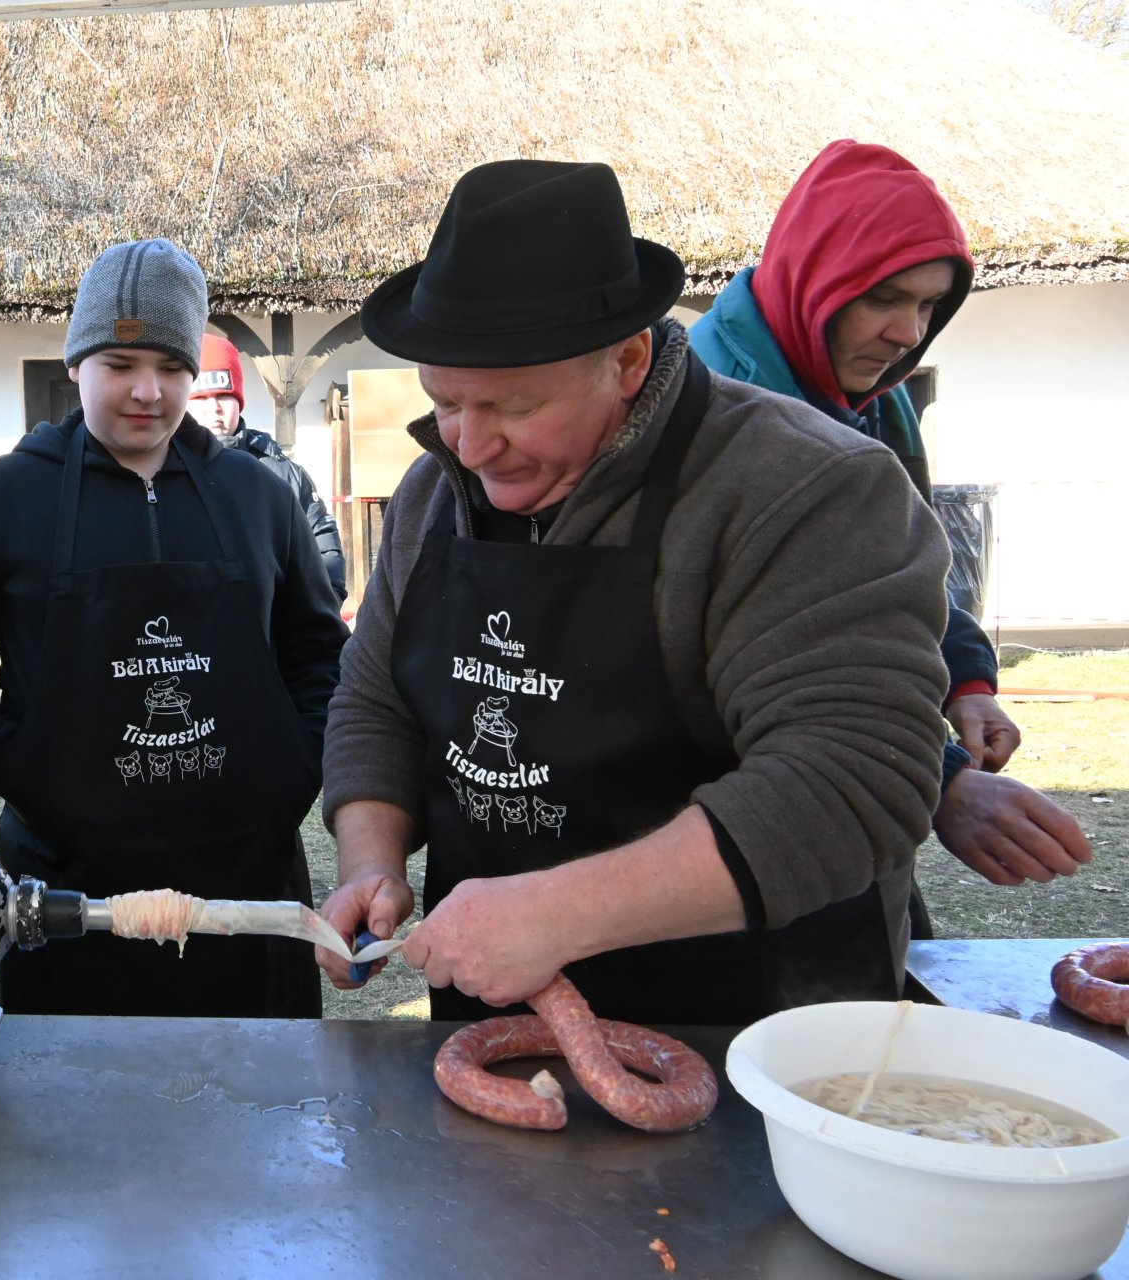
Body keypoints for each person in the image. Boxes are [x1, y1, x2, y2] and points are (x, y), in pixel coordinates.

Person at [314, 160, 952, 1025]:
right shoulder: (434, 494)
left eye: (512, 407)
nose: (469, 445)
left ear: (626, 360)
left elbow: (846, 782)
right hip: (499, 1025)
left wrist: (555, 916)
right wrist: (369, 862)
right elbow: (376, 699)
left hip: (758, 1026)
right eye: (446, 402)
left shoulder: (809, 489)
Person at [0, 239, 348, 1017]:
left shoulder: (258, 496)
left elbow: (318, 655)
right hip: (70, 895)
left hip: (249, 890)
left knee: (257, 1118)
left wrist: (292, 769)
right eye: (119, 366)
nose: (147, 392)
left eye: (169, 366)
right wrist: (15, 765)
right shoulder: (0, 497)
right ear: (75, 365)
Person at [688, 139, 1089, 889]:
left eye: (928, 303)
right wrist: (942, 780)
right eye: (883, 297)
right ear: (816, 278)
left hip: (859, 804)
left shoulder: (879, 399)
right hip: (730, 818)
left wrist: (965, 682)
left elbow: (902, 566)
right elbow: (787, 641)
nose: (909, 333)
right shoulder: (709, 406)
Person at [188, 334, 348, 601]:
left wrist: (323, 608)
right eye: (201, 398)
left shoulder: (282, 472)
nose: (214, 408)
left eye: (223, 396)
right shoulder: (163, 469)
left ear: (239, 400)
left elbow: (323, 547)